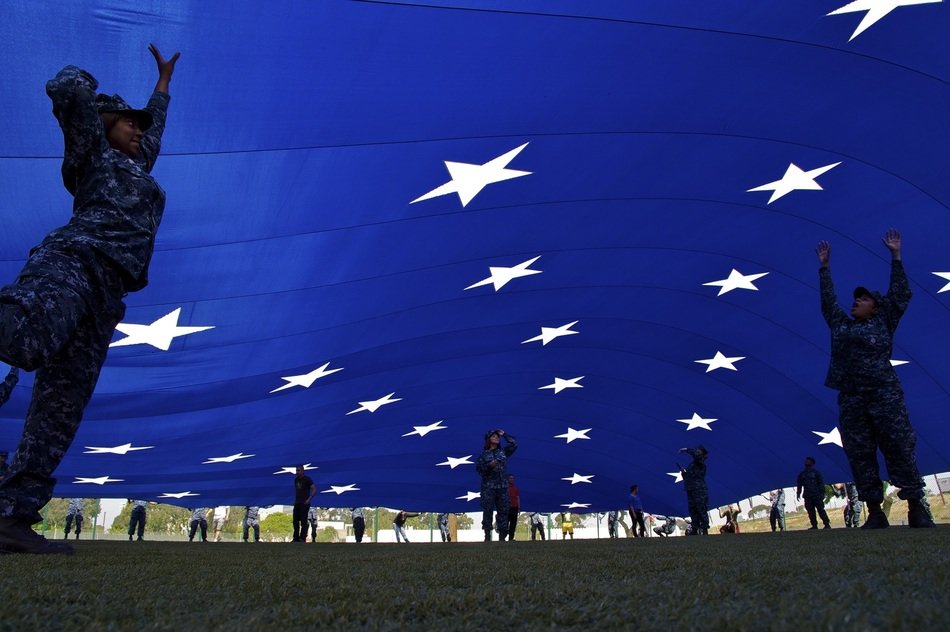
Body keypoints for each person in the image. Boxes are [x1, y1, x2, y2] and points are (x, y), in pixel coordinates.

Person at [0, 45, 179, 556]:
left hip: (109, 294)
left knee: (60, 408)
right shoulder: (91, 152)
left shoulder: (137, 163)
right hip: (74, 263)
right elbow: (66, 89)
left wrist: (162, 83)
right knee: (29, 340)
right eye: (127, 123)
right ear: (103, 124)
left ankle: (12, 518)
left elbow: (156, 125)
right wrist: (93, 101)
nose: (139, 130)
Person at [816, 231, 935, 529]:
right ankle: (874, 511)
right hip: (853, 399)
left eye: (864, 299)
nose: (856, 302)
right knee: (859, 453)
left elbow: (901, 294)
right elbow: (829, 304)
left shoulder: (884, 321)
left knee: (899, 446)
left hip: (884, 395)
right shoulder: (842, 325)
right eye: (856, 299)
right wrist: (825, 268)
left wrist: (896, 257)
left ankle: (916, 506)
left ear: (876, 307)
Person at [475, 429, 517, 542]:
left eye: (497, 436)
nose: (497, 438)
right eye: (494, 436)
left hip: (502, 487)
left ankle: (502, 536)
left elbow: (514, 444)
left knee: (503, 511)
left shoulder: (503, 452)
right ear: (489, 439)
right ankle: (487, 535)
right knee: (488, 510)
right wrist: (489, 466)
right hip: (488, 487)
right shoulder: (483, 455)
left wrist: (504, 434)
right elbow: (479, 470)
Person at [679, 446, 709, 535]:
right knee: (693, 510)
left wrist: (687, 450)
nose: (697, 452)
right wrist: (684, 473)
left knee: (701, 509)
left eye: (699, 452)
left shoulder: (700, 462)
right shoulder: (692, 464)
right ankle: (695, 529)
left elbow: (697, 456)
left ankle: (704, 529)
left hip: (699, 489)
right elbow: (688, 477)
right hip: (690, 489)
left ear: (702, 455)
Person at [797, 457, 831, 530]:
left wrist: (822, 493)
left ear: (812, 463)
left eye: (808, 461)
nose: (806, 462)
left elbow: (821, 484)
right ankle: (814, 525)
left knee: (821, 510)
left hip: (817, 495)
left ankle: (826, 524)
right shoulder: (802, 474)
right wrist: (798, 493)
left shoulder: (816, 473)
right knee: (810, 512)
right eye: (806, 460)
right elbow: (799, 485)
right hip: (807, 496)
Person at [292, 465, 315, 542]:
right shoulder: (296, 480)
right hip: (297, 502)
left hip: (304, 503)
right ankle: (295, 537)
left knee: (303, 521)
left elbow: (314, 489)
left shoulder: (307, 479)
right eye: (296, 471)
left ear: (302, 471)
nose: (297, 472)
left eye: (298, 470)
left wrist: (309, 499)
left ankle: (302, 537)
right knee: (295, 521)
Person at [506, 475, 520, 541]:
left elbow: (517, 497)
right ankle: (503, 537)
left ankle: (511, 538)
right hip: (507, 507)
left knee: (513, 523)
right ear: (508, 479)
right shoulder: (505, 488)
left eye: (512, 478)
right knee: (506, 522)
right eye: (510, 478)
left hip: (515, 507)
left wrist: (519, 507)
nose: (511, 479)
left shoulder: (515, 488)